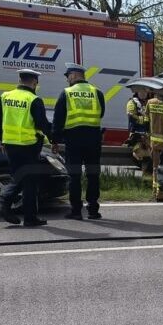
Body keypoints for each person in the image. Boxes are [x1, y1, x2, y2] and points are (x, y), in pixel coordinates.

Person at [0, 69, 52, 227]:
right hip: (29, 145)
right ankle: (7, 203)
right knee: (28, 180)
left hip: (10, 144)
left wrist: (2, 140)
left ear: (19, 80)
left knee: (23, 177)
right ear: (34, 82)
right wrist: (54, 137)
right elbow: (41, 124)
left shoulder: (6, 96)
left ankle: (29, 216)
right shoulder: (34, 99)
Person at [52, 62, 106, 219]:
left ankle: (76, 211)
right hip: (93, 138)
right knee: (93, 175)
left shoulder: (66, 93)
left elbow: (58, 119)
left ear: (74, 75)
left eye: (68, 76)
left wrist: (55, 140)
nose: (67, 79)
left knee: (74, 175)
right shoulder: (97, 92)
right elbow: (101, 113)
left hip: (73, 139)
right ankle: (93, 210)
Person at [125, 89, 151, 171]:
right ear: (137, 92)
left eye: (145, 92)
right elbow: (132, 117)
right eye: (141, 91)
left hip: (148, 133)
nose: (143, 93)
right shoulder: (132, 103)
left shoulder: (150, 102)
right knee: (140, 152)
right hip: (136, 132)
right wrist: (146, 119)